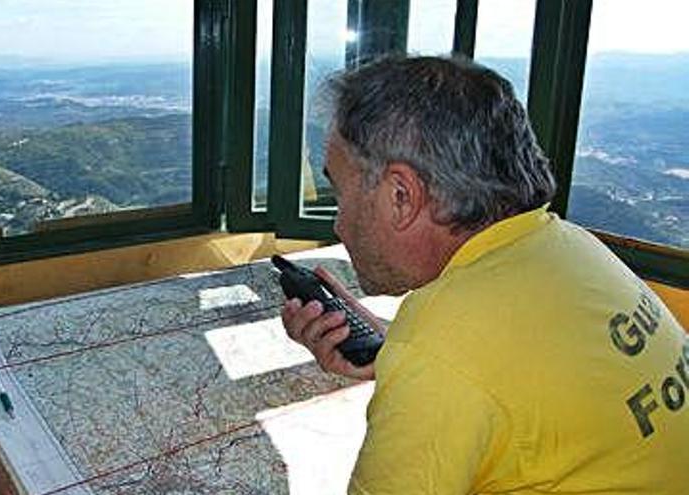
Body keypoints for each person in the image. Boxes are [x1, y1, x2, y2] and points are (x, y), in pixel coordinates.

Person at [280, 55, 689, 494]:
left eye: (340, 194)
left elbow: (457, 358)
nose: (338, 225)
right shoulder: (568, 245)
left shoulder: (441, 351)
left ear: (401, 197)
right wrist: (391, 343)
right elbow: (520, 369)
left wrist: (419, 355)